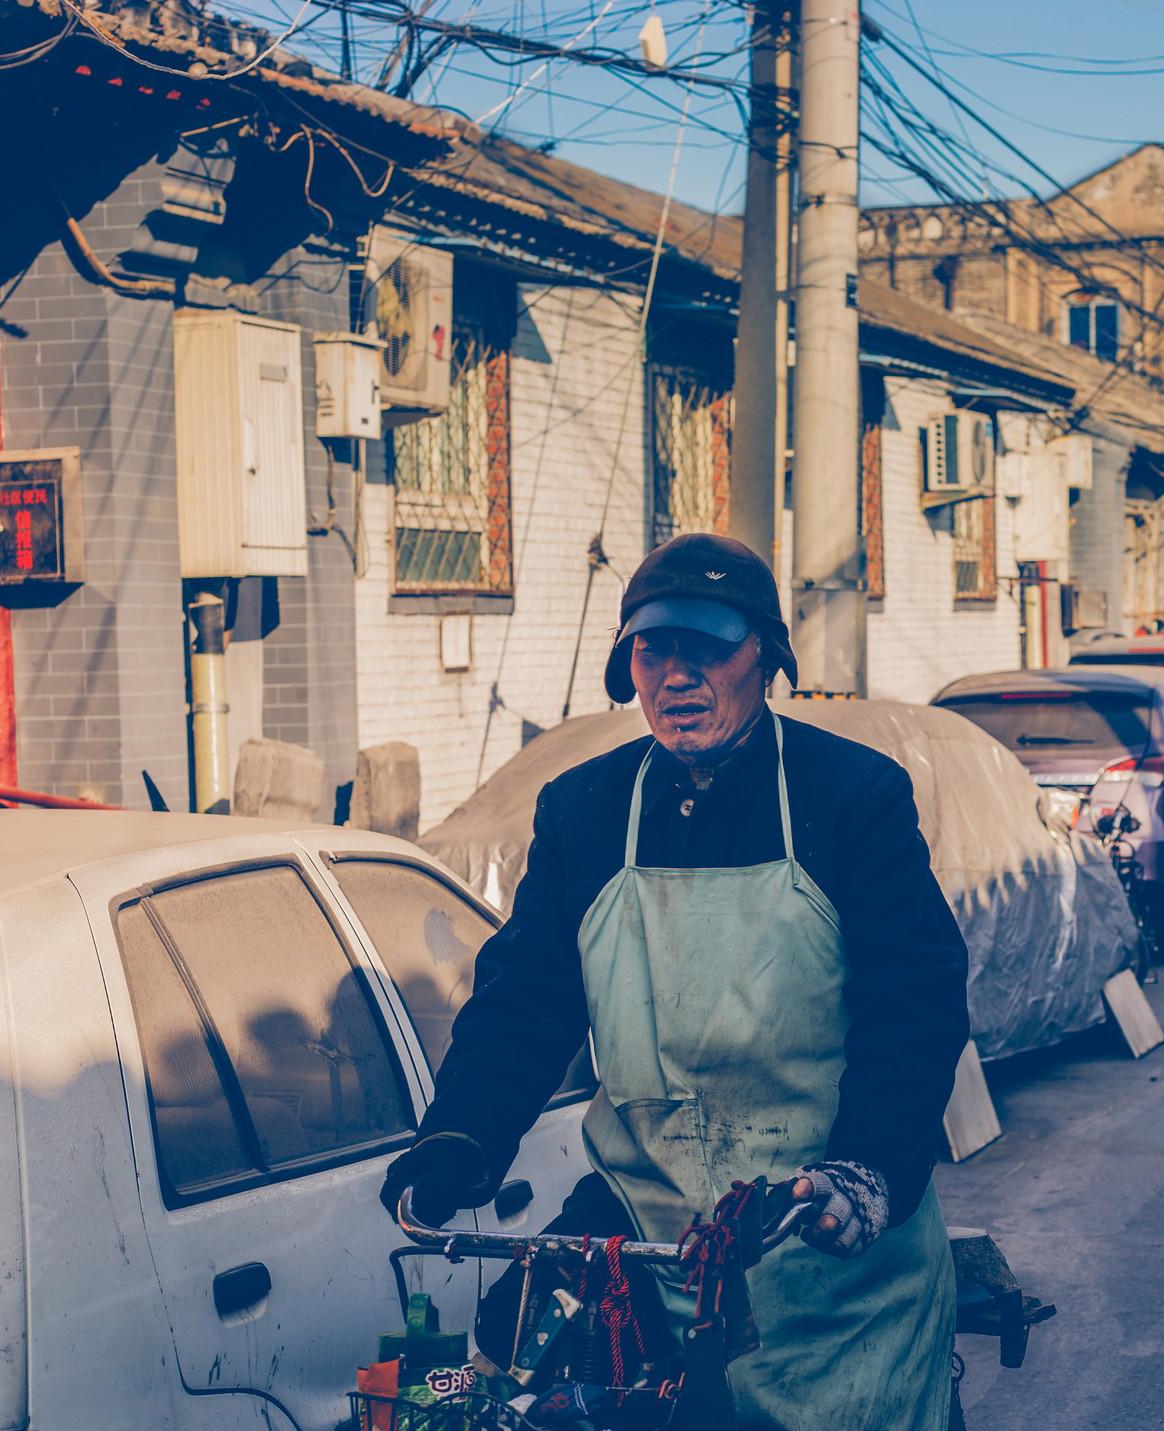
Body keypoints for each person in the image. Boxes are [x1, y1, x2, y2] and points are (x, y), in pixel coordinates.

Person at [380, 532, 969, 1430]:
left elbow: (915, 1005)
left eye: (708, 648)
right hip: (644, 1233)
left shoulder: (851, 797)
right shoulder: (584, 810)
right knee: (502, 1383)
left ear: (765, 660)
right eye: (655, 649)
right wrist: (461, 1135)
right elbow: (525, 999)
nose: (677, 676)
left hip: (826, 1242)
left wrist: (865, 1171)